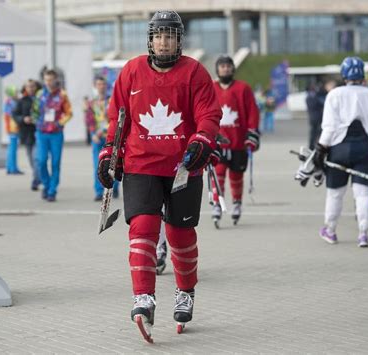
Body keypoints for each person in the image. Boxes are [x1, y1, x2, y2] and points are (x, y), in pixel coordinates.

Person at [97, 10, 221, 342]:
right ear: (150, 40)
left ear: (179, 40)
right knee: (142, 227)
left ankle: (185, 291)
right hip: (140, 163)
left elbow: (209, 113)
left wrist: (202, 140)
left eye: (170, 36)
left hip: (183, 166)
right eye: (158, 36)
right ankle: (144, 298)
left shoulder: (194, 72)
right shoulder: (132, 71)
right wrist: (110, 153)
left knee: (180, 234)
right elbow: (118, 117)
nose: (164, 42)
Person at [312, 56, 368, 248]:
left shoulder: (335, 94)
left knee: (335, 192)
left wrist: (320, 149)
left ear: (343, 74)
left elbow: (329, 126)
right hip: (365, 148)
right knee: (363, 192)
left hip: (339, 149)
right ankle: (363, 234)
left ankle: (331, 230)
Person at [211, 55, 260, 225]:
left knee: (236, 176)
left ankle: (237, 203)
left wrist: (252, 134)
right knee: (217, 175)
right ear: (217, 69)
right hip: (218, 142)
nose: (225, 69)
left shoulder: (243, 88)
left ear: (233, 68)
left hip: (238, 141)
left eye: (228, 66)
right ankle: (217, 204)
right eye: (222, 66)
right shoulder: (211, 88)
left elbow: (252, 112)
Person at [32, 69, 73, 202]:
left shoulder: (62, 95)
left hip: (56, 134)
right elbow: (34, 111)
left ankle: (52, 190)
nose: (48, 82)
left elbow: (69, 113)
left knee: (55, 163)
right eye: (46, 79)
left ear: (55, 80)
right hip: (42, 133)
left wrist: (59, 123)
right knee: (41, 161)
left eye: (51, 79)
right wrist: (36, 121)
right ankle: (46, 184)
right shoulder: (39, 94)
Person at [85, 76, 119, 201]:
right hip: (97, 139)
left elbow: (115, 118)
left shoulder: (112, 100)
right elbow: (89, 119)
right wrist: (93, 133)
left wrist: (104, 130)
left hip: (110, 137)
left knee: (113, 164)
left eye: (103, 84)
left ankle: (114, 187)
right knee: (97, 165)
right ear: (95, 86)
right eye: (99, 84)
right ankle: (99, 191)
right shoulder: (91, 102)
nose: (101, 87)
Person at [13, 79, 41, 190]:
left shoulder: (41, 99)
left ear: (36, 87)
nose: (31, 88)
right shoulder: (22, 101)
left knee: (37, 158)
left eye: (33, 86)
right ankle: (38, 176)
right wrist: (23, 119)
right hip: (26, 133)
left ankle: (36, 179)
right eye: (28, 86)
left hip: (39, 132)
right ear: (25, 88)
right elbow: (15, 115)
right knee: (31, 158)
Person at [3, 85, 22, 175]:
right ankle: (13, 168)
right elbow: (6, 116)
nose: (17, 94)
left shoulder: (14, 101)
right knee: (13, 148)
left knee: (12, 148)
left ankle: (10, 167)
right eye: (15, 92)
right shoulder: (9, 102)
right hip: (13, 128)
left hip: (15, 126)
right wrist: (8, 128)